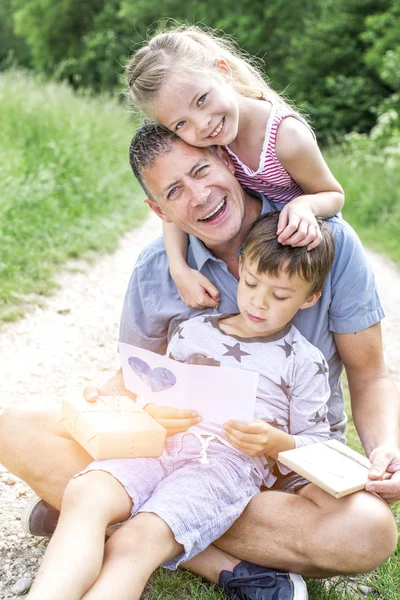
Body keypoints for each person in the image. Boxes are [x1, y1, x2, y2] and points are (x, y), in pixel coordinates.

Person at [0, 123, 398, 600]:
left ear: (228, 162)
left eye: (201, 170)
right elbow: (141, 378)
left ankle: (118, 515)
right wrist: (118, 401)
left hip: (251, 475)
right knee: (18, 426)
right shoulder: (166, 283)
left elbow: (369, 375)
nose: (199, 196)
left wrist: (384, 452)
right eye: (174, 190)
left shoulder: (318, 244)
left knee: (367, 529)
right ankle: (220, 563)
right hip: (167, 452)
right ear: (159, 210)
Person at [26, 212, 334, 600]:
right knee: (86, 494)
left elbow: (320, 444)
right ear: (240, 268)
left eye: (280, 295)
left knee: (137, 540)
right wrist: (153, 410)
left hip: (224, 466)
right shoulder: (194, 331)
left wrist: (275, 442)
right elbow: (155, 392)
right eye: (252, 282)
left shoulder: (303, 361)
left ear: (310, 297)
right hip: (162, 444)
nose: (258, 301)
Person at [126, 24, 345, 310]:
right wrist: (178, 268)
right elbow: (176, 211)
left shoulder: (286, 138)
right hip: (258, 237)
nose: (202, 123)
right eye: (181, 123)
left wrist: (305, 207)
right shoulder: (209, 139)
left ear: (222, 70)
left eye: (202, 100)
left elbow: (333, 195)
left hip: (302, 233)